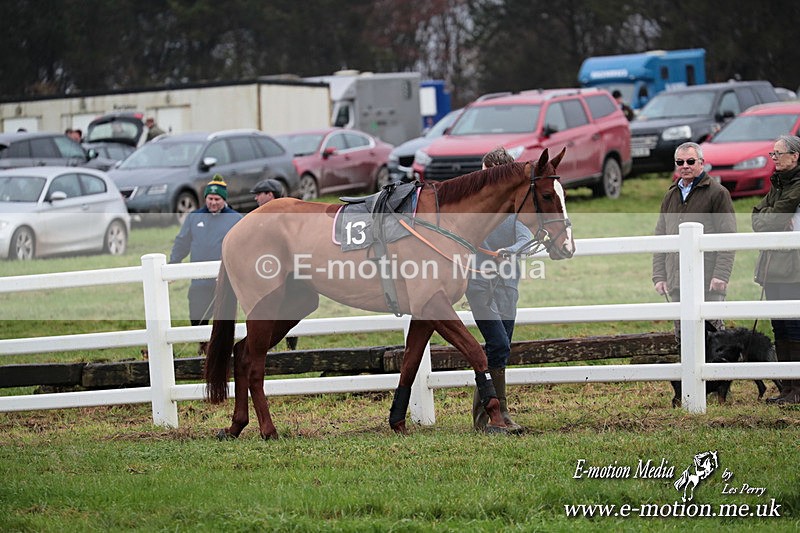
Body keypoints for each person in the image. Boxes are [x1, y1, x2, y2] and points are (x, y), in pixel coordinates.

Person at [467, 146, 533, 432]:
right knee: (499, 344)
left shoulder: (514, 207)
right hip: (480, 284)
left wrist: (510, 250)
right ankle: (498, 414)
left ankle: (488, 417)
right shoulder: (473, 206)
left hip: (508, 285)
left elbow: (526, 237)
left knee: (499, 351)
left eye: (485, 172)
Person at [653, 142, 737, 337]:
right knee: (682, 335)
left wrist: (721, 275)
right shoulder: (671, 195)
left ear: (701, 163)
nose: (685, 166)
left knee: (714, 337)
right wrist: (659, 275)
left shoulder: (718, 193)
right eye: (680, 162)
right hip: (676, 280)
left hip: (707, 279)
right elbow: (660, 236)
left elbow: (728, 237)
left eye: (690, 161)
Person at [169, 176, 242, 355]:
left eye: (217, 199)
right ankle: (203, 346)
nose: (213, 203)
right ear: (205, 198)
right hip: (199, 280)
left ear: (224, 199)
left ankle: (222, 348)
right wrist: (173, 265)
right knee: (197, 313)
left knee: (223, 317)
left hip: (224, 280)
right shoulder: (194, 218)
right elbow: (182, 243)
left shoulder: (236, 219)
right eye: (210, 199)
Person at [752, 134, 800, 405]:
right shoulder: (778, 184)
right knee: (779, 326)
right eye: (772, 154)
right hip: (774, 266)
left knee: (794, 325)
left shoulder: (796, 185)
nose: (774, 158)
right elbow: (757, 216)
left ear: (795, 156)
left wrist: (767, 219)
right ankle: (787, 385)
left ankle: (797, 387)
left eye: (778, 154)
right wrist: (766, 219)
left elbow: (776, 213)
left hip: (794, 267)